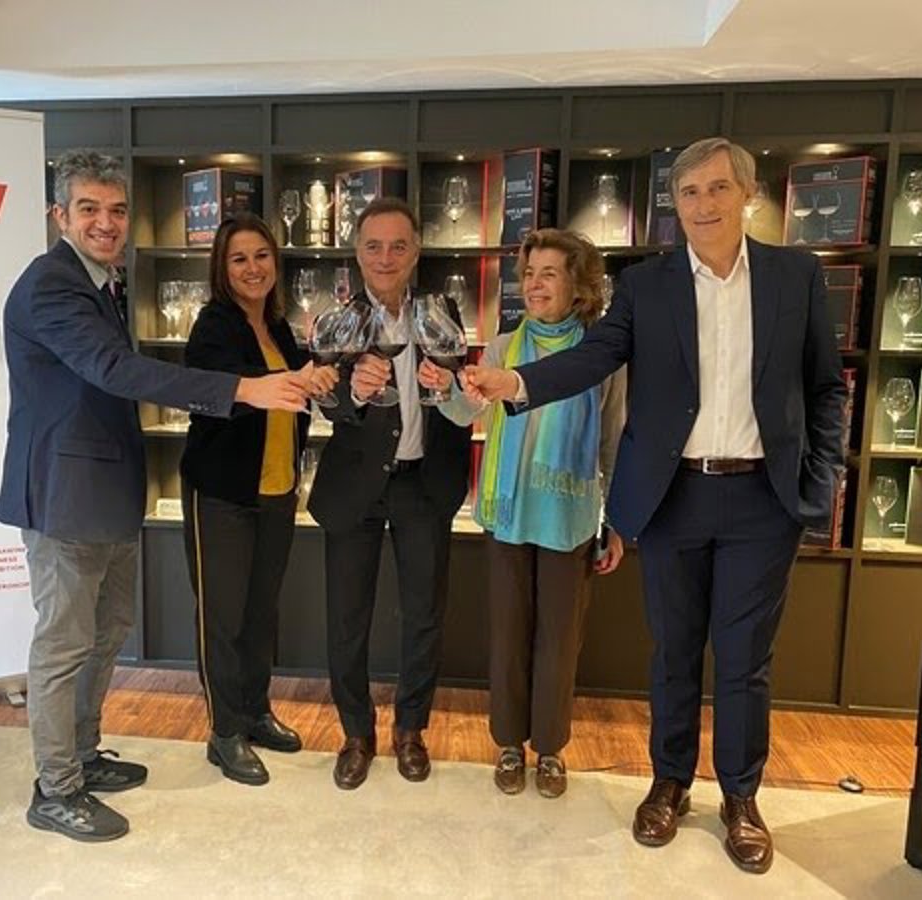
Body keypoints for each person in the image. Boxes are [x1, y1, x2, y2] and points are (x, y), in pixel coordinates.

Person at [463, 138, 846, 873]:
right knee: (673, 651)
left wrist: (820, 480)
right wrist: (519, 384)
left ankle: (741, 797)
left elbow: (826, 387)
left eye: (718, 188)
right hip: (674, 495)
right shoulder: (648, 284)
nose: (703, 205)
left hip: (764, 499)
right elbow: (595, 355)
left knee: (745, 659)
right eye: (689, 192)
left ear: (747, 194)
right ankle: (669, 783)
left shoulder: (795, 276)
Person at [0, 151, 310, 843]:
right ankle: (56, 788)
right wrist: (243, 388)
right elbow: (114, 369)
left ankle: (82, 756)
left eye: (115, 210)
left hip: (107, 495)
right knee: (63, 644)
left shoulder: (103, 283)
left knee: (105, 635)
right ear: (59, 215)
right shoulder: (50, 285)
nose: (105, 223)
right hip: (64, 497)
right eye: (89, 209)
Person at [420, 228, 625, 797]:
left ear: (579, 285)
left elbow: (613, 442)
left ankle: (550, 750)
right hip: (508, 514)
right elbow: (466, 414)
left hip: (569, 517)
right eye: (529, 274)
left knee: (560, 640)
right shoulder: (502, 345)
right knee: (508, 635)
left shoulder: (601, 355)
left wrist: (616, 523)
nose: (534, 285)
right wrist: (445, 389)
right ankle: (509, 744)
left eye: (549, 274)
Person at [308, 197, 471, 790]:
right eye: (374, 246)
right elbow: (321, 400)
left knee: (424, 615)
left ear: (416, 252)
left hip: (423, 484)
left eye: (398, 245)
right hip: (355, 487)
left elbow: (462, 398)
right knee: (346, 620)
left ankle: (410, 730)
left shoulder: (441, 311)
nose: (386, 257)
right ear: (357, 253)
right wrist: (352, 391)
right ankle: (356, 733)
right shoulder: (338, 320)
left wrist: (450, 384)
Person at [179, 213, 337, 786]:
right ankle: (224, 732)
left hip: (276, 490)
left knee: (260, 612)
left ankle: (254, 711)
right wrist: (290, 383)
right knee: (221, 617)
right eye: (239, 259)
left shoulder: (280, 328)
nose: (253, 268)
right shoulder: (212, 326)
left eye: (262, 256)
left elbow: (291, 399)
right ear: (222, 269)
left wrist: (314, 382)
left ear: (276, 262)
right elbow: (217, 390)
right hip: (223, 492)